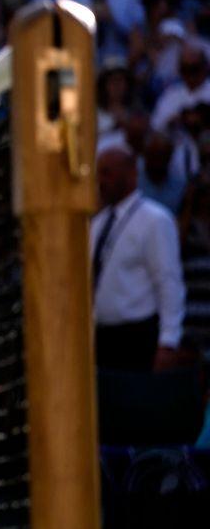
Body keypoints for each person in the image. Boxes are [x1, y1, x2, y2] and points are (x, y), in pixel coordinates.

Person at [92, 145, 185, 373]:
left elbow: (168, 281)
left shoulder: (155, 220)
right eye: (98, 174)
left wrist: (168, 340)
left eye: (108, 173)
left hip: (137, 337)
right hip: (100, 335)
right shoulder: (97, 223)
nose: (101, 181)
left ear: (130, 174)